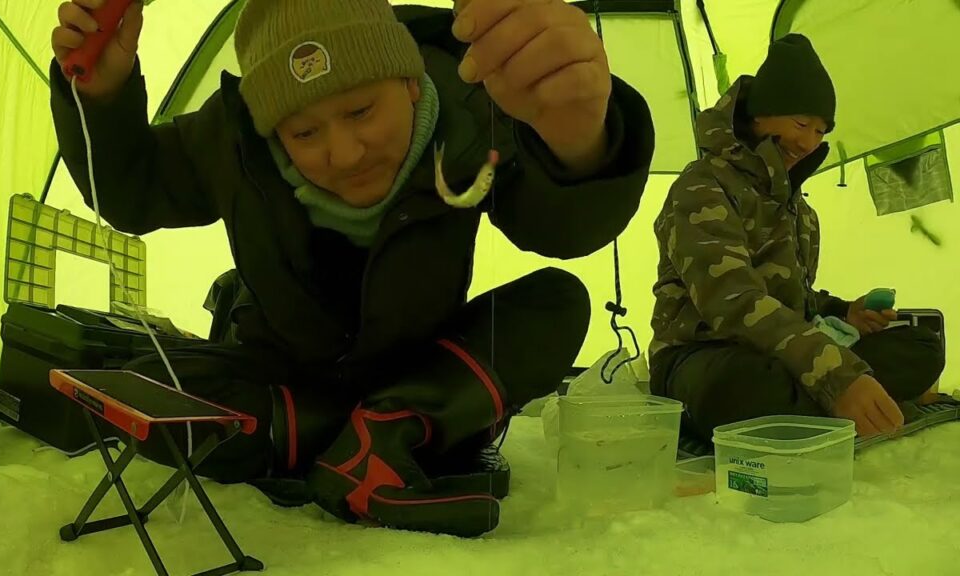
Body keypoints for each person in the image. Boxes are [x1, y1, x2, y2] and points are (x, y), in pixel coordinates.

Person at [49, 0, 655, 537]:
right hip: (288, 373)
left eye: (362, 111)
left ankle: (382, 426)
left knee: (558, 303)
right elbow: (132, 191)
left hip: (426, 363)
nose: (343, 153)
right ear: (273, 130)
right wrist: (102, 97)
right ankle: (379, 445)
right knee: (142, 388)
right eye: (305, 132)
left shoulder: (471, 112)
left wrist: (579, 140)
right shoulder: (232, 137)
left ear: (411, 83)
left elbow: (562, 229)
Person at [648, 34, 945, 444]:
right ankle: (864, 406)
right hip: (702, 354)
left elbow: (793, 298)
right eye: (802, 124)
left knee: (922, 347)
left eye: (821, 131)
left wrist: (843, 313)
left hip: (780, 355)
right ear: (760, 116)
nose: (809, 143)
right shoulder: (703, 187)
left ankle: (819, 412)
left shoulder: (797, 207)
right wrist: (837, 376)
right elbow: (733, 301)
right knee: (740, 389)